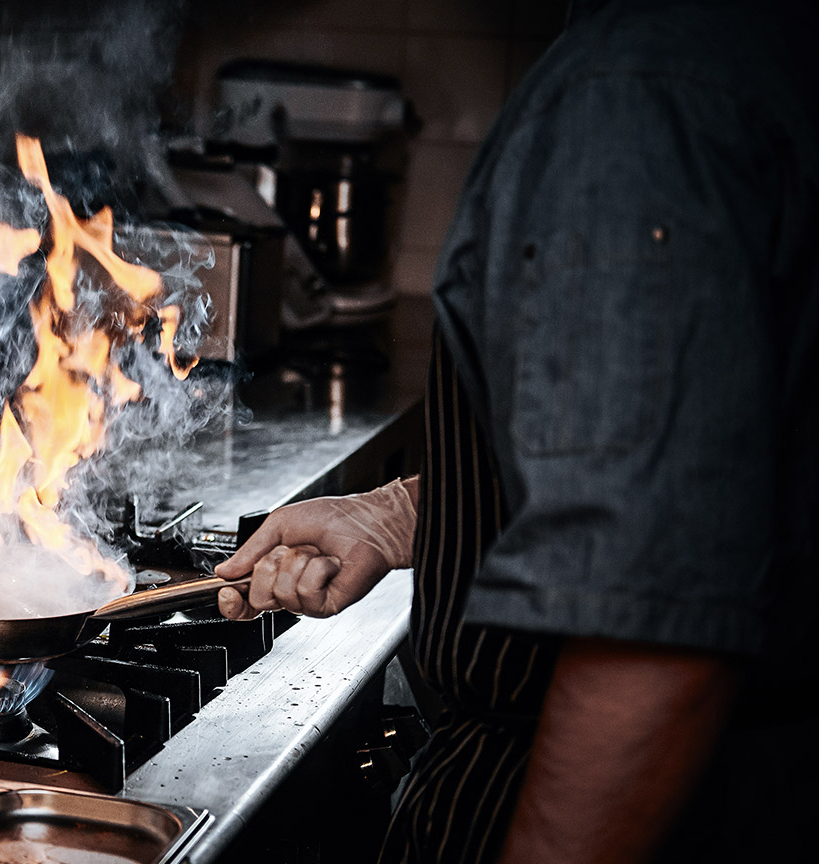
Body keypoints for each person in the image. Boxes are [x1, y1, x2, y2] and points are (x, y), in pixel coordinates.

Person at [213, 1, 819, 862]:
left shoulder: (631, 96)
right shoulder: (739, 46)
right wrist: (406, 512)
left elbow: (650, 632)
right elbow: (708, 457)